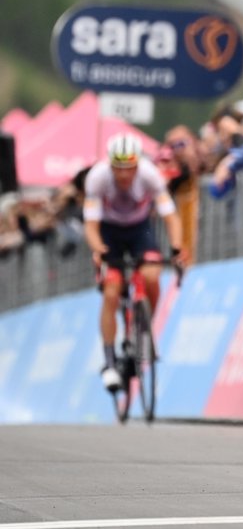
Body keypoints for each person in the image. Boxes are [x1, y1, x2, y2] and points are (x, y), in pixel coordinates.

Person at [83, 134, 185, 392]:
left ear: (138, 165)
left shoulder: (151, 176)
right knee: (111, 292)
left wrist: (176, 248)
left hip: (140, 229)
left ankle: (143, 328)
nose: (124, 175)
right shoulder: (97, 178)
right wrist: (98, 249)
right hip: (109, 231)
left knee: (152, 275)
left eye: (129, 168)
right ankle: (109, 361)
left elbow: (171, 218)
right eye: (118, 168)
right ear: (110, 165)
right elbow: (91, 225)